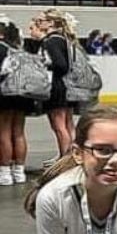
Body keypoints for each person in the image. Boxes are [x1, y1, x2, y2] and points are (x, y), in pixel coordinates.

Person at [26, 9, 83, 159]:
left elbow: (60, 65)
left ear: (51, 23)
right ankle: (72, 156)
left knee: (59, 126)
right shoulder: (65, 39)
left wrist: (43, 64)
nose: (38, 23)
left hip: (57, 86)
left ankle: (65, 158)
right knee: (68, 124)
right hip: (68, 85)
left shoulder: (51, 41)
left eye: (41, 21)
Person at [0, 16, 31, 185]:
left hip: (5, 94)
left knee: (3, 132)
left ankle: (4, 172)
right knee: (18, 132)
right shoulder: (20, 49)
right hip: (22, 94)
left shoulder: (1, 48)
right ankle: (19, 171)